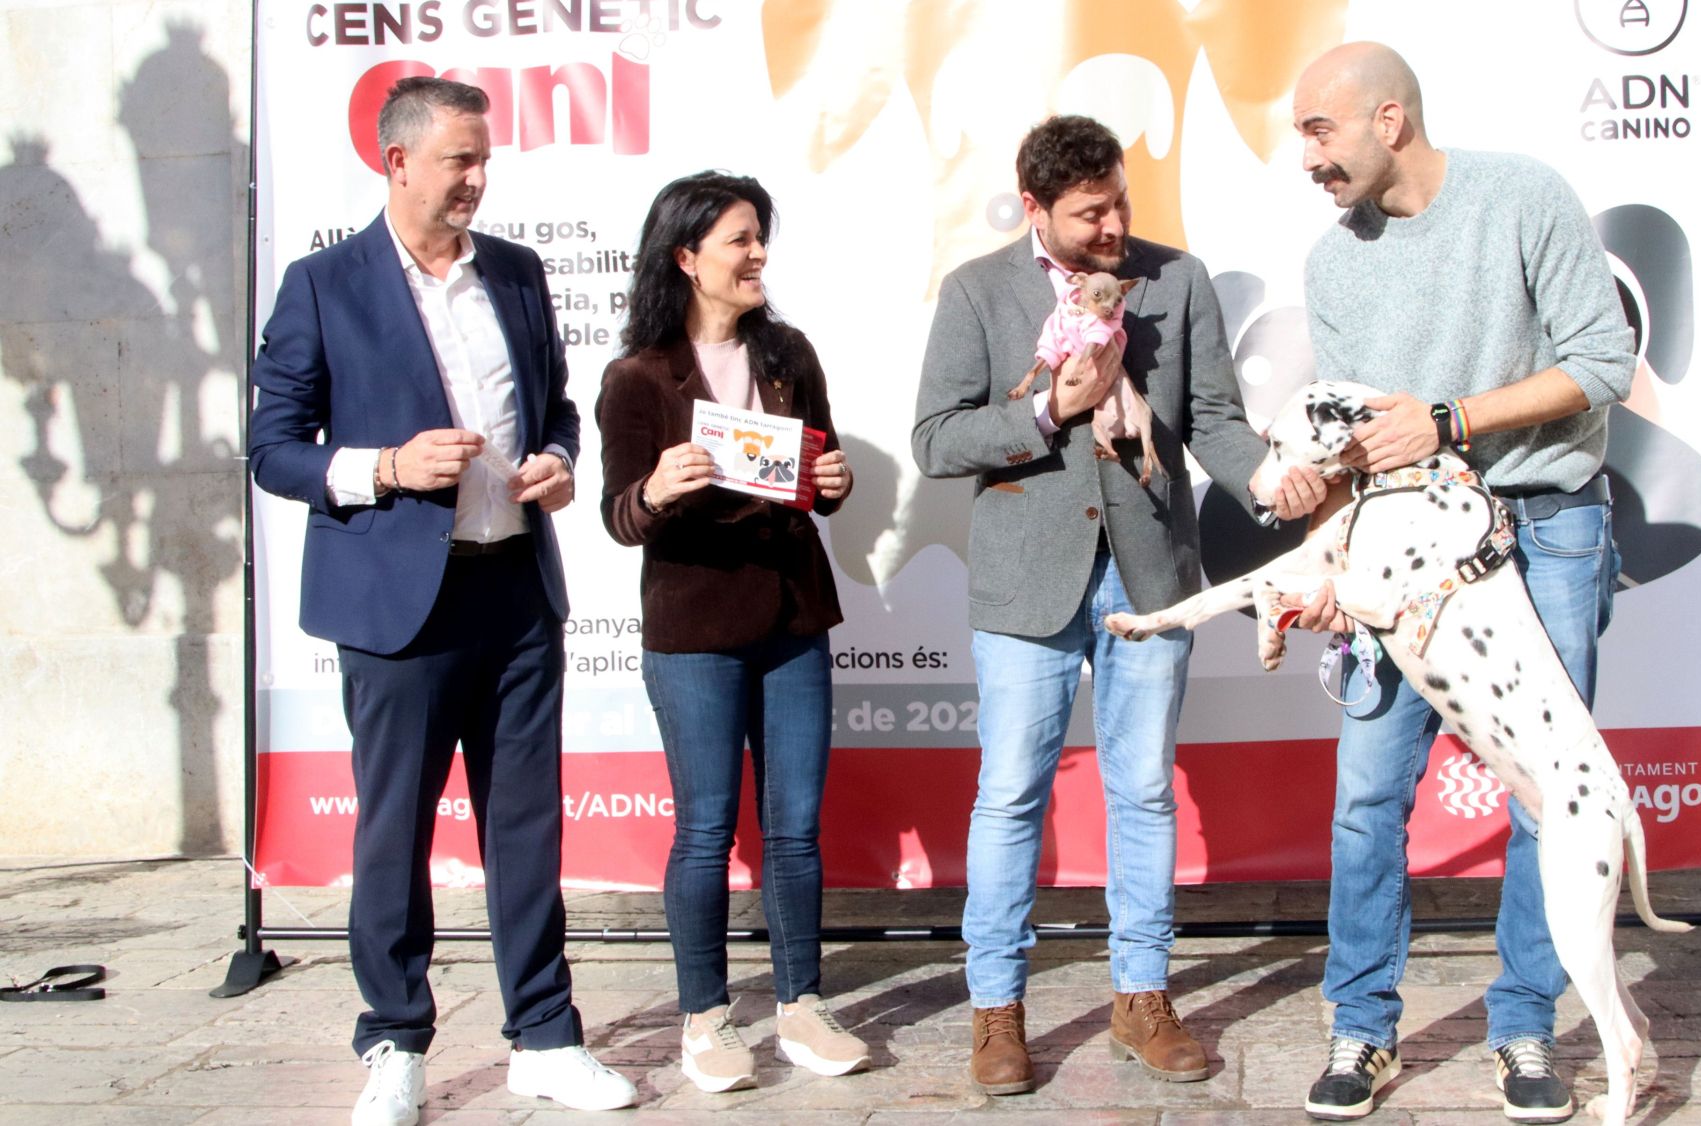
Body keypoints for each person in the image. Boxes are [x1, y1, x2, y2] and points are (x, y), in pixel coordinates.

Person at [247, 77, 637, 1125]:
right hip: (394, 606)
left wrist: (557, 459)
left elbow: (554, 404)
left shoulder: (514, 273)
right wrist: (383, 466)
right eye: (460, 159)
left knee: (527, 828)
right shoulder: (323, 285)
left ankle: (546, 1038)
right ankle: (394, 1040)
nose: (477, 177)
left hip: (514, 588)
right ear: (398, 162)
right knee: (393, 831)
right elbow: (273, 450)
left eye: (484, 158)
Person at [911, 114, 1322, 1095]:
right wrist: (1048, 409)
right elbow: (935, 439)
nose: (1111, 227)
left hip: (1147, 570)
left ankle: (1140, 997)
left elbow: (1213, 420)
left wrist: (1270, 482)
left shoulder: (1174, 280)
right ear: (1033, 209)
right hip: (1026, 578)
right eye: (1088, 213)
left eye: (1119, 204)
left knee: (1140, 788)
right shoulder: (977, 291)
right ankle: (995, 1011)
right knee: (1011, 792)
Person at [1282, 43, 1638, 1123]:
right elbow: (1353, 439)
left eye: (1317, 131)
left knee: (1545, 798)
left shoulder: (1522, 197)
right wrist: (1328, 533)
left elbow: (1602, 360)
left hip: (1545, 526)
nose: (1305, 158)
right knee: (1366, 791)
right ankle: (1361, 1024)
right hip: (1398, 548)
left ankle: (1525, 1028)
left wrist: (1451, 420)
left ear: (1387, 120)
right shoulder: (1329, 263)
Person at [596, 171, 864, 1093]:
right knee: (705, 830)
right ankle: (706, 1018)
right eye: (740, 241)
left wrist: (835, 482)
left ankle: (801, 1004)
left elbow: (822, 462)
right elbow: (620, 517)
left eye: (760, 239)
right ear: (688, 258)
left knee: (795, 829)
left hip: (792, 615)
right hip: (694, 627)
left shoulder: (787, 352)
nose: (757, 257)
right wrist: (656, 491)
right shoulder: (637, 377)